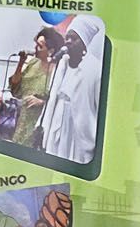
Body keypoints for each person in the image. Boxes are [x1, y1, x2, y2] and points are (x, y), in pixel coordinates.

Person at [38, 23, 101, 162]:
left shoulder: (95, 69)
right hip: (57, 120)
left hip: (78, 128)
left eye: (74, 38)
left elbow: (98, 108)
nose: (68, 42)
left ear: (84, 43)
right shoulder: (62, 64)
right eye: (67, 38)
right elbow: (52, 98)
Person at [9, 28, 61, 145]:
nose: (35, 48)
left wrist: (42, 102)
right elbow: (15, 89)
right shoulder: (33, 63)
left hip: (41, 127)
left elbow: (60, 101)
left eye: (40, 46)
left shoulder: (58, 71)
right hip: (23, 122)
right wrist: (21, 63)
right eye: (36, 44)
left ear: (51, 51)